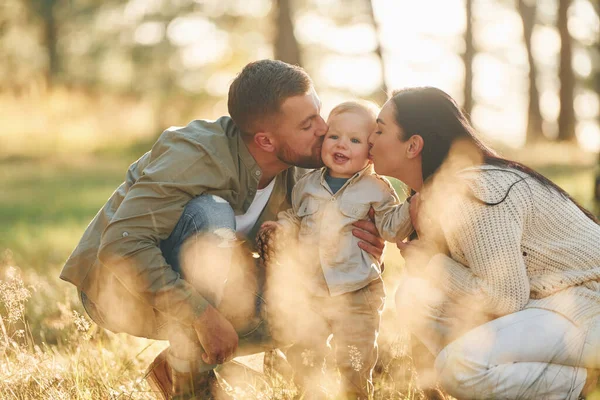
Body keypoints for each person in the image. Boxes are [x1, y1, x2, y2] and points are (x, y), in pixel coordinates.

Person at [59, 59, 386, 400]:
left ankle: (176, 368)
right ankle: (191, 385)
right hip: (119, 292)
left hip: (207, 289)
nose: (323, 128)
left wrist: (358, 241)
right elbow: (120, 247)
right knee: (210, 214)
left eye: (319, 113)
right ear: (266, 140)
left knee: (299, 306)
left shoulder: (307, 173)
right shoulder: (193, 153)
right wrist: (202, 316)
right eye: (307, 125)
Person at [368, 86, 600, 400]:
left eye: (379, 130)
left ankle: (573, 384)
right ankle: (535, 380)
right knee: (415, 296)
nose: (370, 138)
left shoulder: (475, 189)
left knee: (460, 367)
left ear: (413, 146)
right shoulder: (436, 195)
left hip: (586, 305)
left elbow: (505, 298)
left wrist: (433, 264)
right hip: (548, 303)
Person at [260, 101, 413, 398]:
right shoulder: (306, 185)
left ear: (370, 151)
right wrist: (282, 227)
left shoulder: (376, 189)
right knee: (305, 352)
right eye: (334, 136)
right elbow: (297, 216)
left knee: (354, 360)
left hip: (357, 292)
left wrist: (413, 204)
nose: (342, 144)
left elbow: (391, 229)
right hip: (312, 290)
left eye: (355, 140)